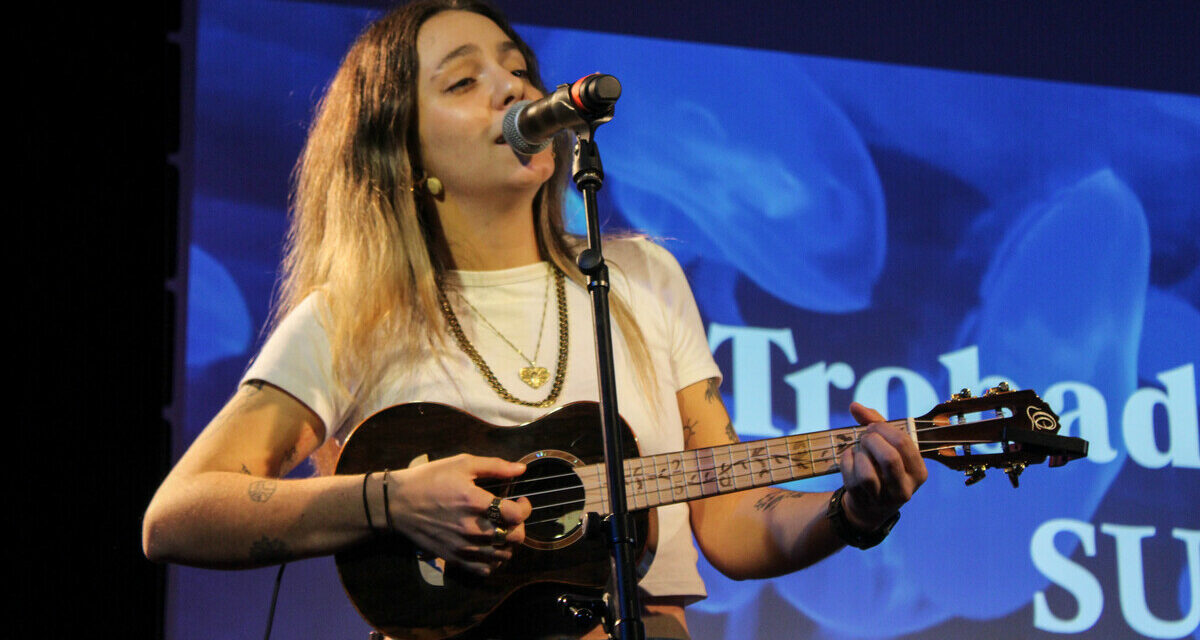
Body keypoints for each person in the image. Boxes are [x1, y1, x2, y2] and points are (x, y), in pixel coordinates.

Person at [141, 1, 928, 638]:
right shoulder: (358, 311)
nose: (515, 90)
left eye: (519, 70)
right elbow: (179, 516)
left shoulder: (642, 278)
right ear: (402, 153)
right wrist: (388, 501)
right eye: (463, 82)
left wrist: (851, 512)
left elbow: (727, 521)